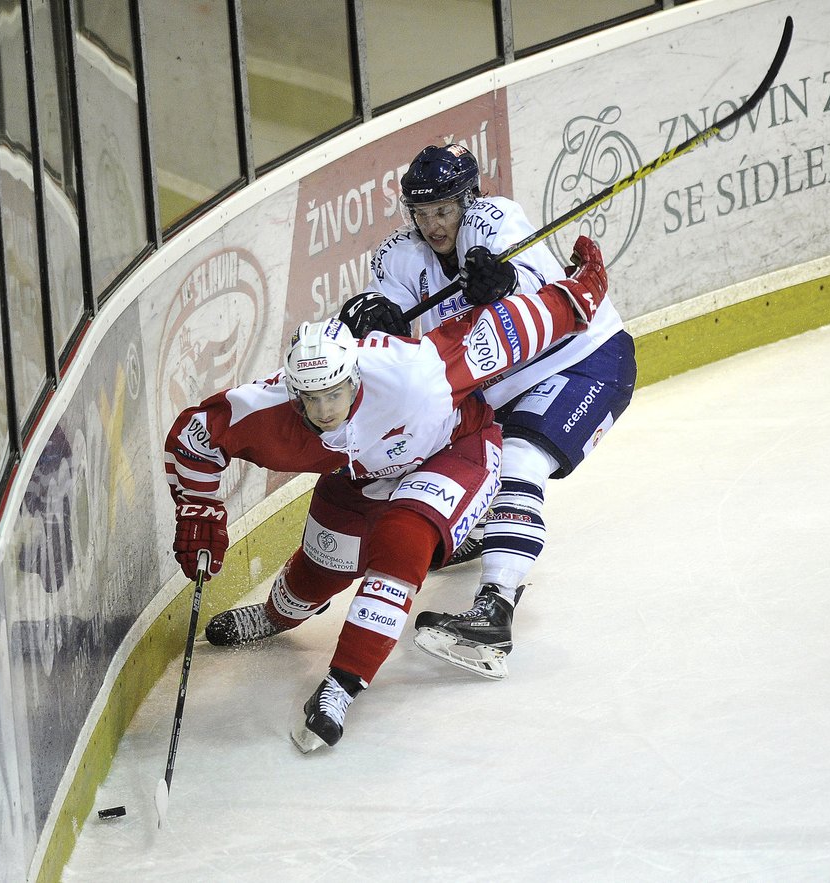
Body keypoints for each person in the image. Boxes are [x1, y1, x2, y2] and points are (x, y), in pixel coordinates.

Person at [164, 235, 608, 751]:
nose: (326, 409)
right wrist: (196, 506)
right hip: (360, 476)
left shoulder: (416, 376)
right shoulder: (273, 415)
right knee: (318, 572)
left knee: (402, 543)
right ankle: (276, 615)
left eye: (336, 393)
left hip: (454, 449)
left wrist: (580, 292)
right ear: (292, 394)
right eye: (313, 399)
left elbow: (509, 332)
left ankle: (340, 689)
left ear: (355, 377)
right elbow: (196, 435)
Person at [339, 144, 636, 680]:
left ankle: (494, 615)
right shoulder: (397, 255)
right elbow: (392, 323)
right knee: (424, 454)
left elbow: (539, 286)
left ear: (467, 200)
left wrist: (501, 283)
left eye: (444, 211)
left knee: (520, 461)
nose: (433, 225)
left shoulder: (497, 219)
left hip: (582, 359)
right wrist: (376, 321)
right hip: (497, 387)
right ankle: (477, 530)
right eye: (422, 213)